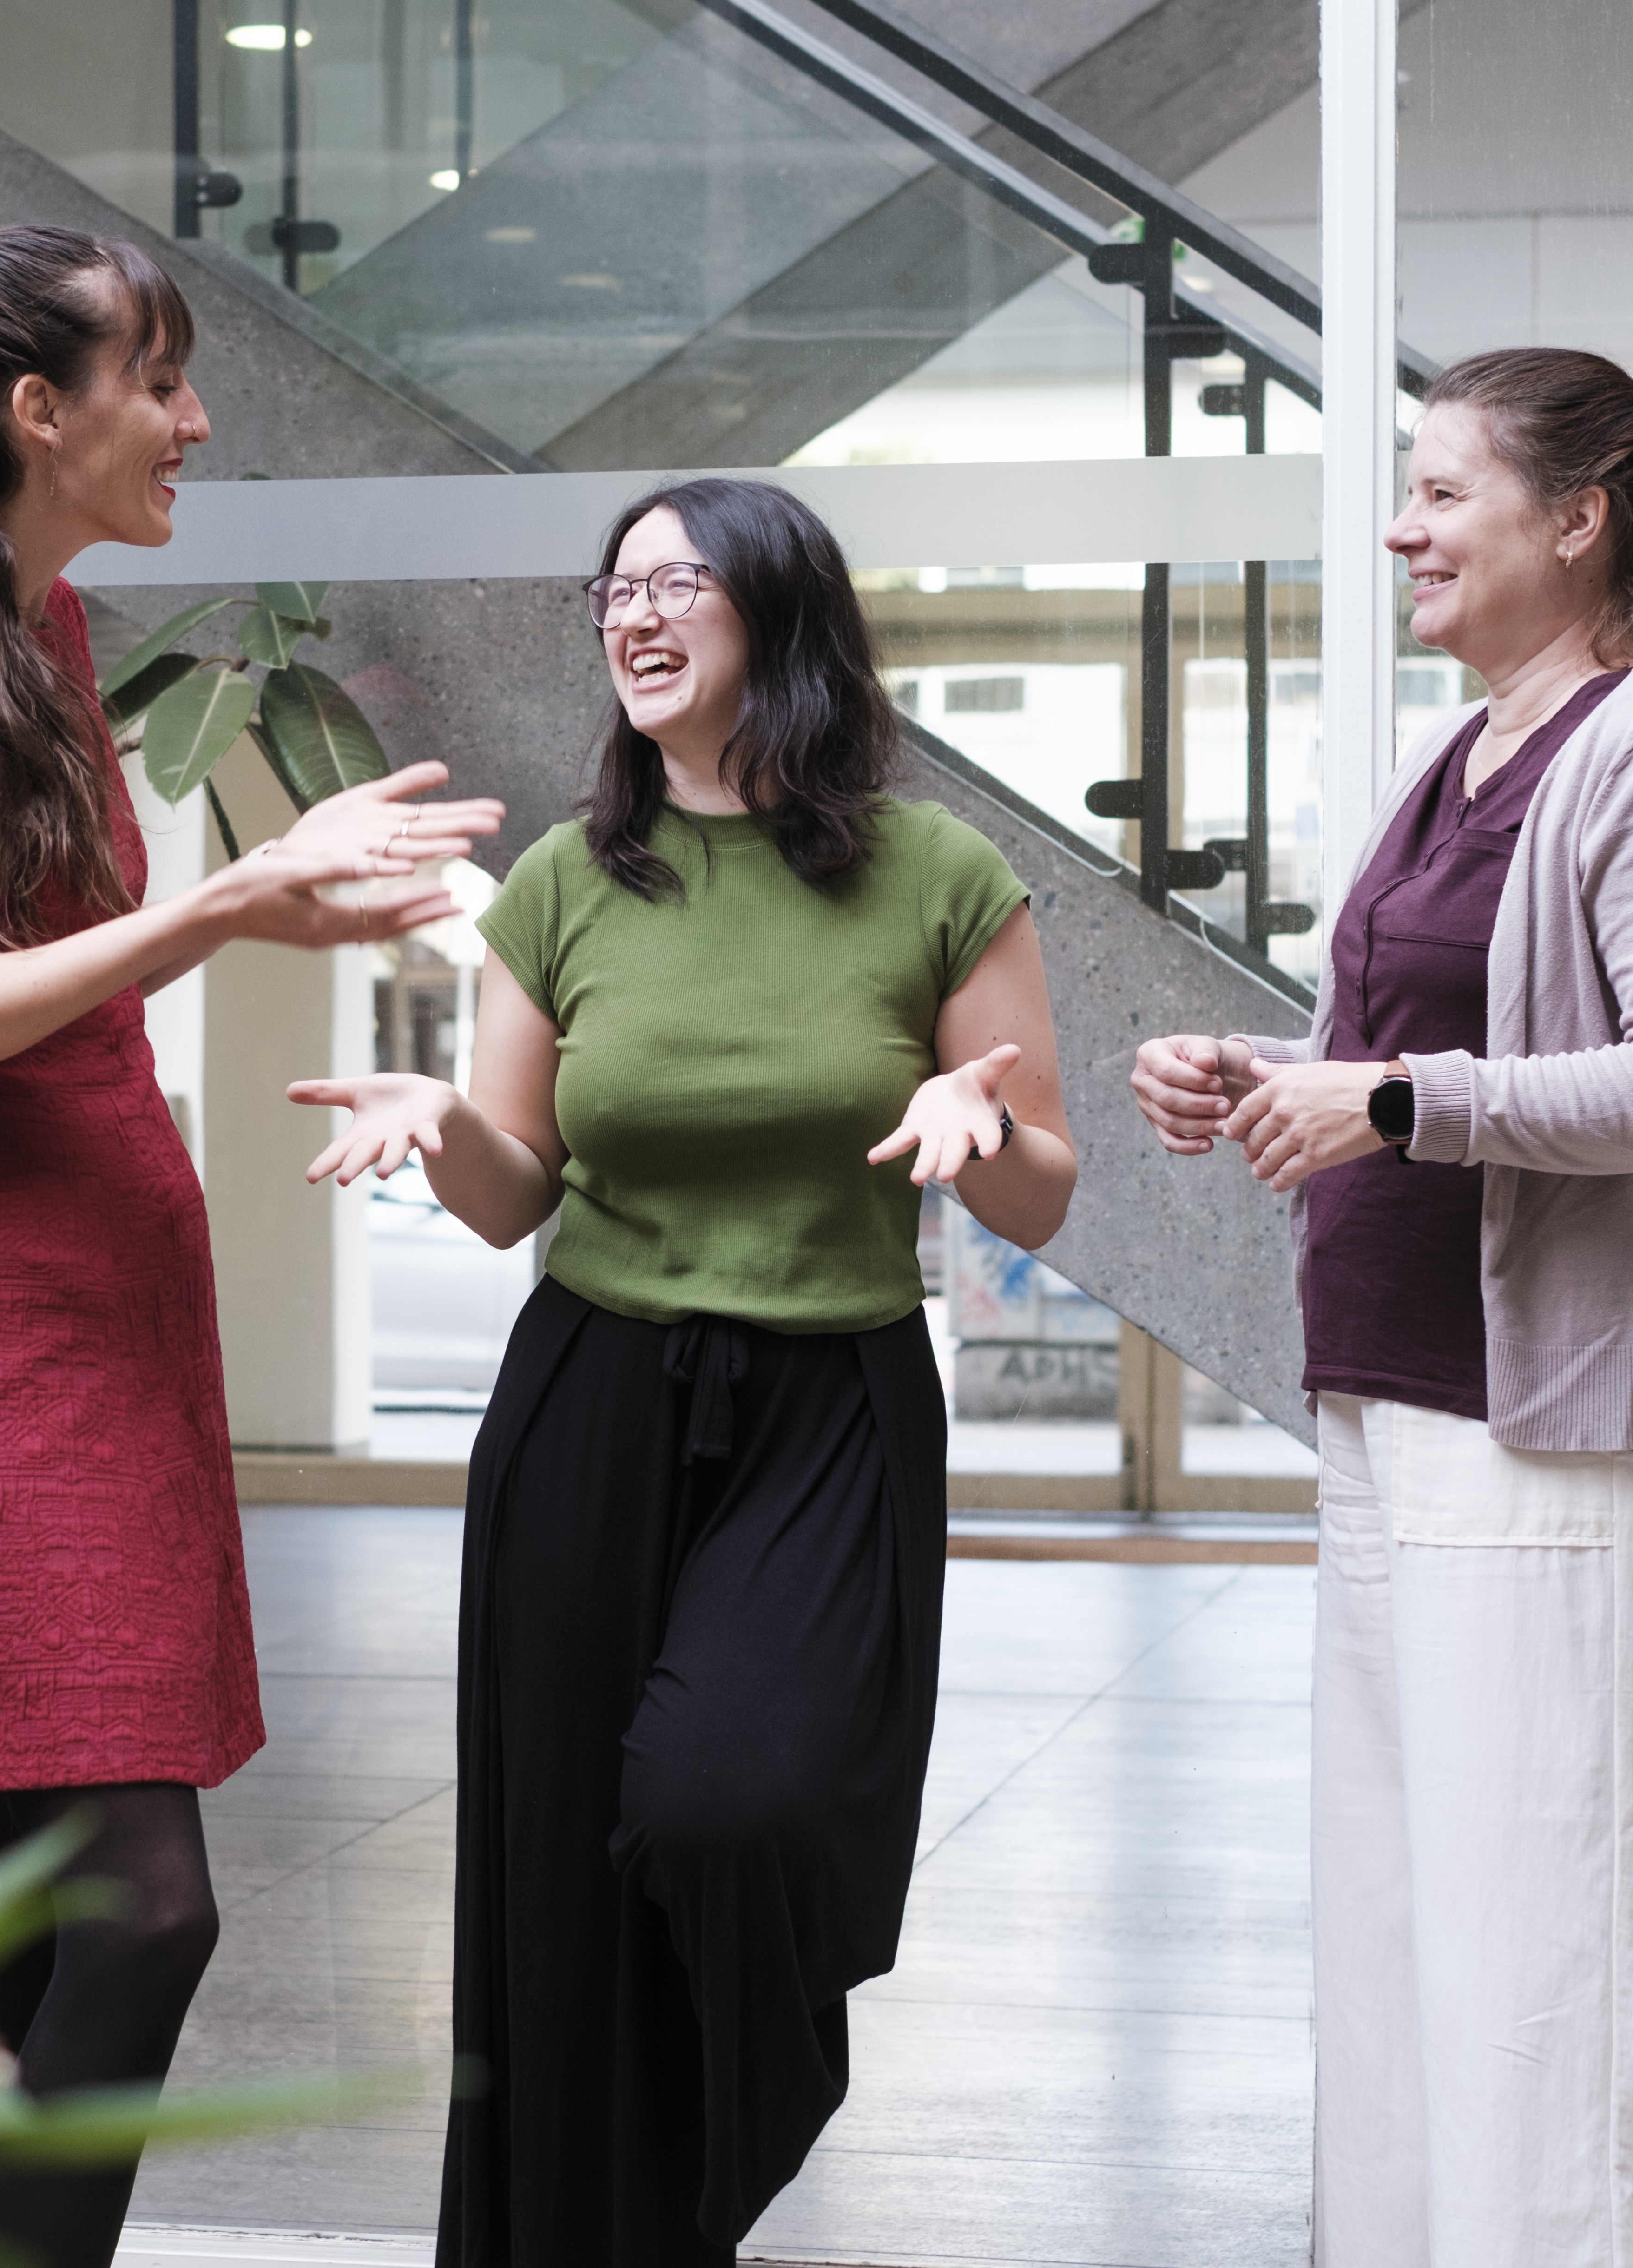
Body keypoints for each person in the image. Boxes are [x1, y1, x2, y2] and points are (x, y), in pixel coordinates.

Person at [0, 195, 501, 2268]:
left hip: (103, 1327)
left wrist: (249, 913)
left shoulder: (41, 628)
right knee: (143, 1904)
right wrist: (221, 901)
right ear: (38, 407)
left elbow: (55, 976)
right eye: (159, 382)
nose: (190, 423)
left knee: (38, 1903)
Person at [290, 476, 1078, 2266]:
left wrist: (983, 1115)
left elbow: (1045, 1176)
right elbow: (516, 1199)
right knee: (561, 1896)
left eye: (678, 586)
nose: (634, 618)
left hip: (832, 1409)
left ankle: (697, 2187)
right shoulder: (567, 884)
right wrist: (442, 1126)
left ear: (780, 615)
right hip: (592, 1401)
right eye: (614, 592)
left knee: (739, 1803)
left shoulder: (937, 875)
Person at [1130, 348, 1633, 2267]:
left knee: (1553, 1960)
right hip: (1397, 1408)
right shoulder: (1465, 749)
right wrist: (1268, 1071)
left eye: (1436, 493)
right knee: (1413, 1934)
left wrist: (1396, 1102)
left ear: (1573, 522)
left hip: (1560, 1440)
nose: (1400, 529)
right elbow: (1409, 1049)